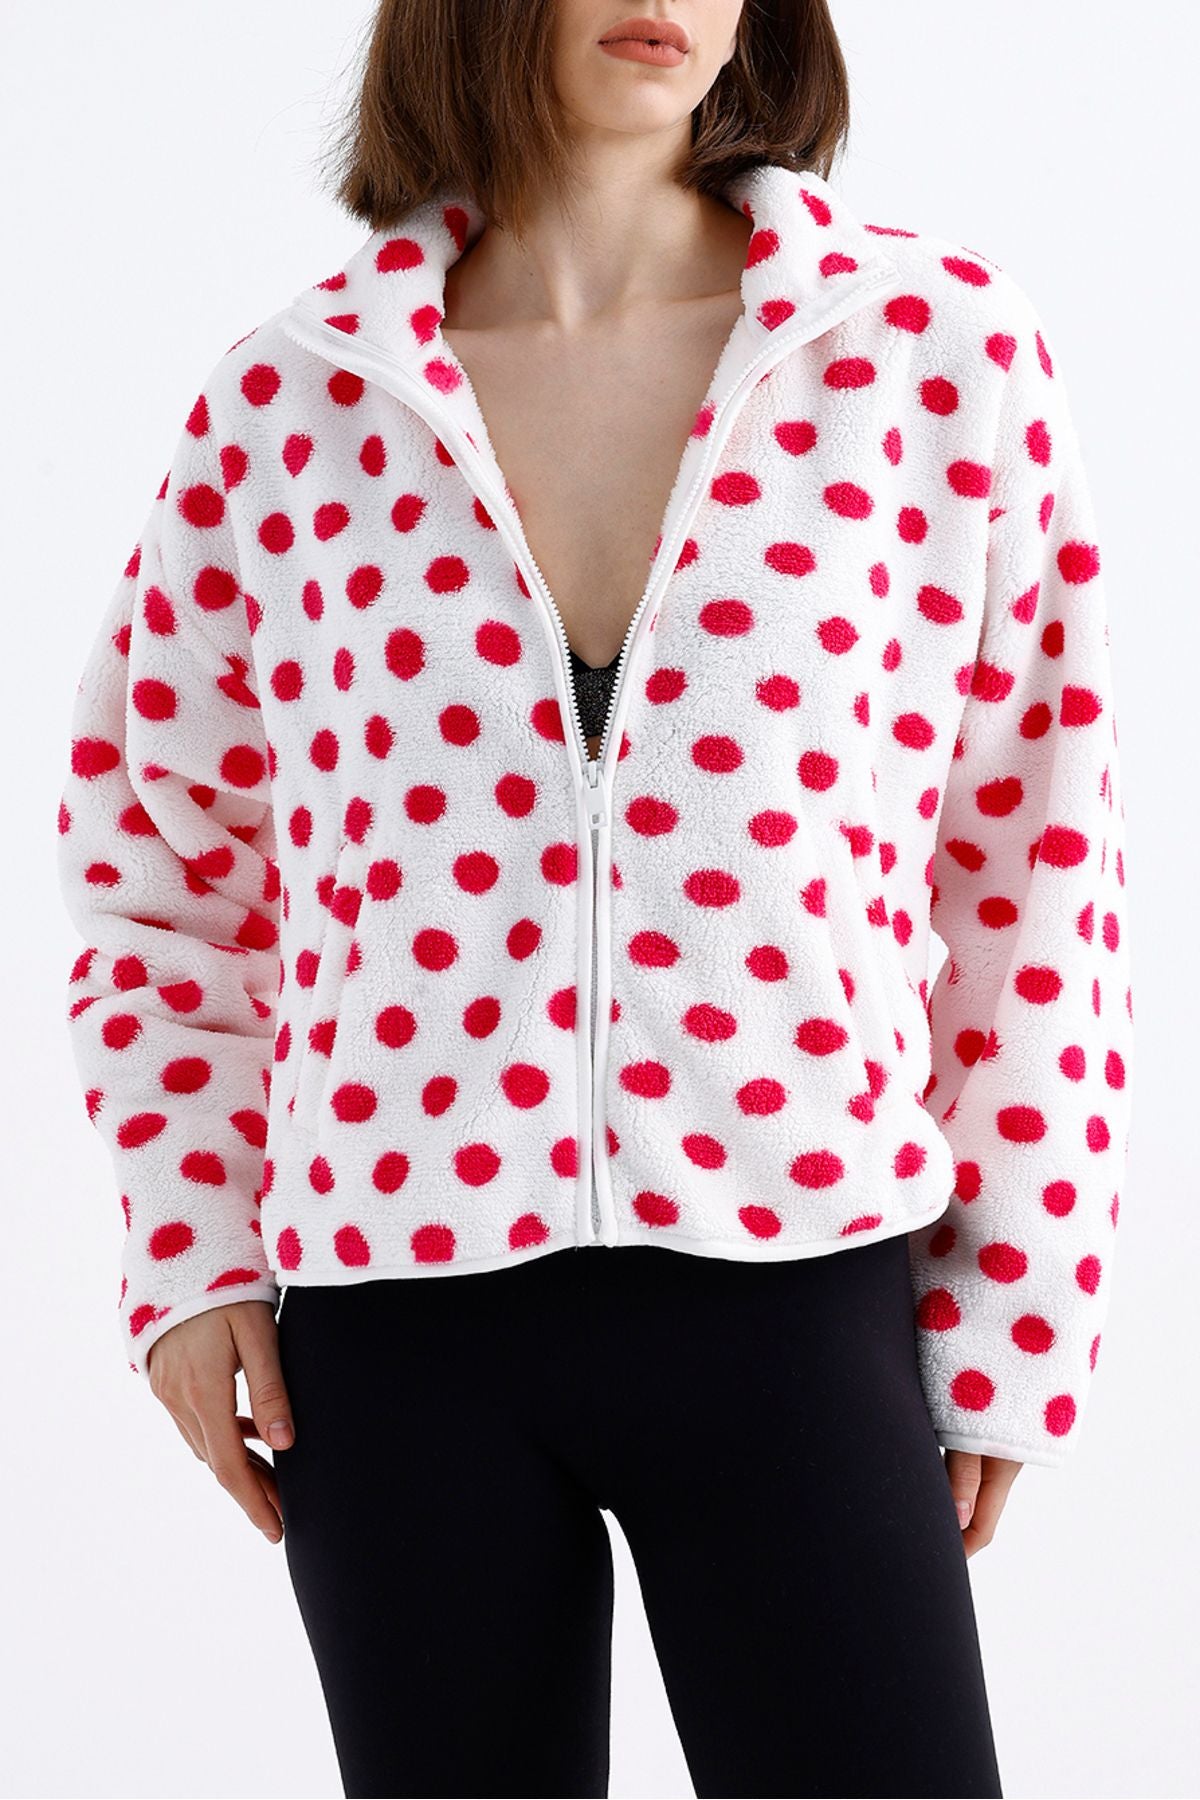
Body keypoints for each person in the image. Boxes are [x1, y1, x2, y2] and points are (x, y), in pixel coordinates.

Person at [55, 2, 1134, 1795]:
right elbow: (156, 858)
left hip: (794, 1289)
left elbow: (1034, 852)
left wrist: (1021, 1305)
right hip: (395, 1325)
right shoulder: (291, 404)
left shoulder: (930, 355)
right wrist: (188, 1252)